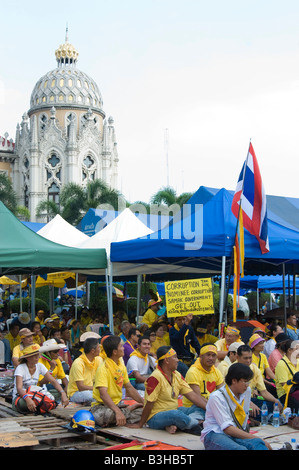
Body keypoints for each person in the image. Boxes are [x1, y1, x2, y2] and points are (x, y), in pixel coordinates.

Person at [130, 346, 209, 435]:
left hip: (174, 410)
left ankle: (180, 424)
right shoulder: (155, 377)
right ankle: (197, 423)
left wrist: (210, 409)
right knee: (176, 414)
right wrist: (141, 424)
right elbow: (149, 404)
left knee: (200, 408)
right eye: (175, 357)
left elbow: (192, 395)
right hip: (156, 417)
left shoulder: (177, 375)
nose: (177, 360)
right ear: (167, 360)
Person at [200, 363, 271, 450]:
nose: (247, 385)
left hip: (236, 432)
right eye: (245, 381)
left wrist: (257, 440)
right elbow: (227, 429)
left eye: (248, 382)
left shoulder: (247, 391)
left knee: (258, 444)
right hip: (215, 433)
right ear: (234, 380)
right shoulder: (217, 397)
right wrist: (255, 438)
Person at [90, 335, 144, 427]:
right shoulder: (103, 368)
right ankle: (128, 411)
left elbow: (129, 387)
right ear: (115, 352)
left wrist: (143, 403)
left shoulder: (121, 366)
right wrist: (118, 411)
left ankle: (123, 415)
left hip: (118, 405)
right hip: (102, 407)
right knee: (109, 415)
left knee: (145, 411)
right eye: (121, 346)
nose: (123, 348)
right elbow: (103, 394)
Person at [12, 343, 69, 413]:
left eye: (37, 355)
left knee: (58, 392)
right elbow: (19, 388)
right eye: (34, 356)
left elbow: (52, 380)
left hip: (35, 395)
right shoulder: (20, 368)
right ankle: (40, 404)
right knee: (23, 403)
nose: (37, 357)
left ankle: (39, 404)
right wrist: (27, 399)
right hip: (21, 397)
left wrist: (63, 393)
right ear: (27, 358)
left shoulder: (40, 366)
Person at [236, 344, 283, 418]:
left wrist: (275, 401)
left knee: (272, 406)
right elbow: (233, 394)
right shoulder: (232, 370)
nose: (248, 361)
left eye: (250, 358)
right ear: (237, 357)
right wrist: (248, 403)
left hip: (250, 399)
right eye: (245, 358)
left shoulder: (254, 369)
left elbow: (263, 392)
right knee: (255, 411)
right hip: (236, 400)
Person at [182, 344, 224, 421]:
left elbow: (222, 394)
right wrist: (213, 409)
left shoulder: (216, 371)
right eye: (208, 355)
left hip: (210, 406)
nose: (211, 358)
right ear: (201, 356)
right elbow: (197, 398)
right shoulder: (193, 372)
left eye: (213, 355)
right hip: (194, 407)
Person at [67, 337, 103, 405]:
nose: (100, 349)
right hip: (76, 393)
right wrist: (97, 388)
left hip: (92, 390)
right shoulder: (78, 363)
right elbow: (81, 387)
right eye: (98, 347)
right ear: (92, 351)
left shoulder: (98, 359)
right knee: (94, 396)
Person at [275, 339, 299, 412]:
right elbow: (285, 385)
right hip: (286, 394)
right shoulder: (281, 364)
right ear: (290, 350)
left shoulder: (298, 361)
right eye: (297, 349)